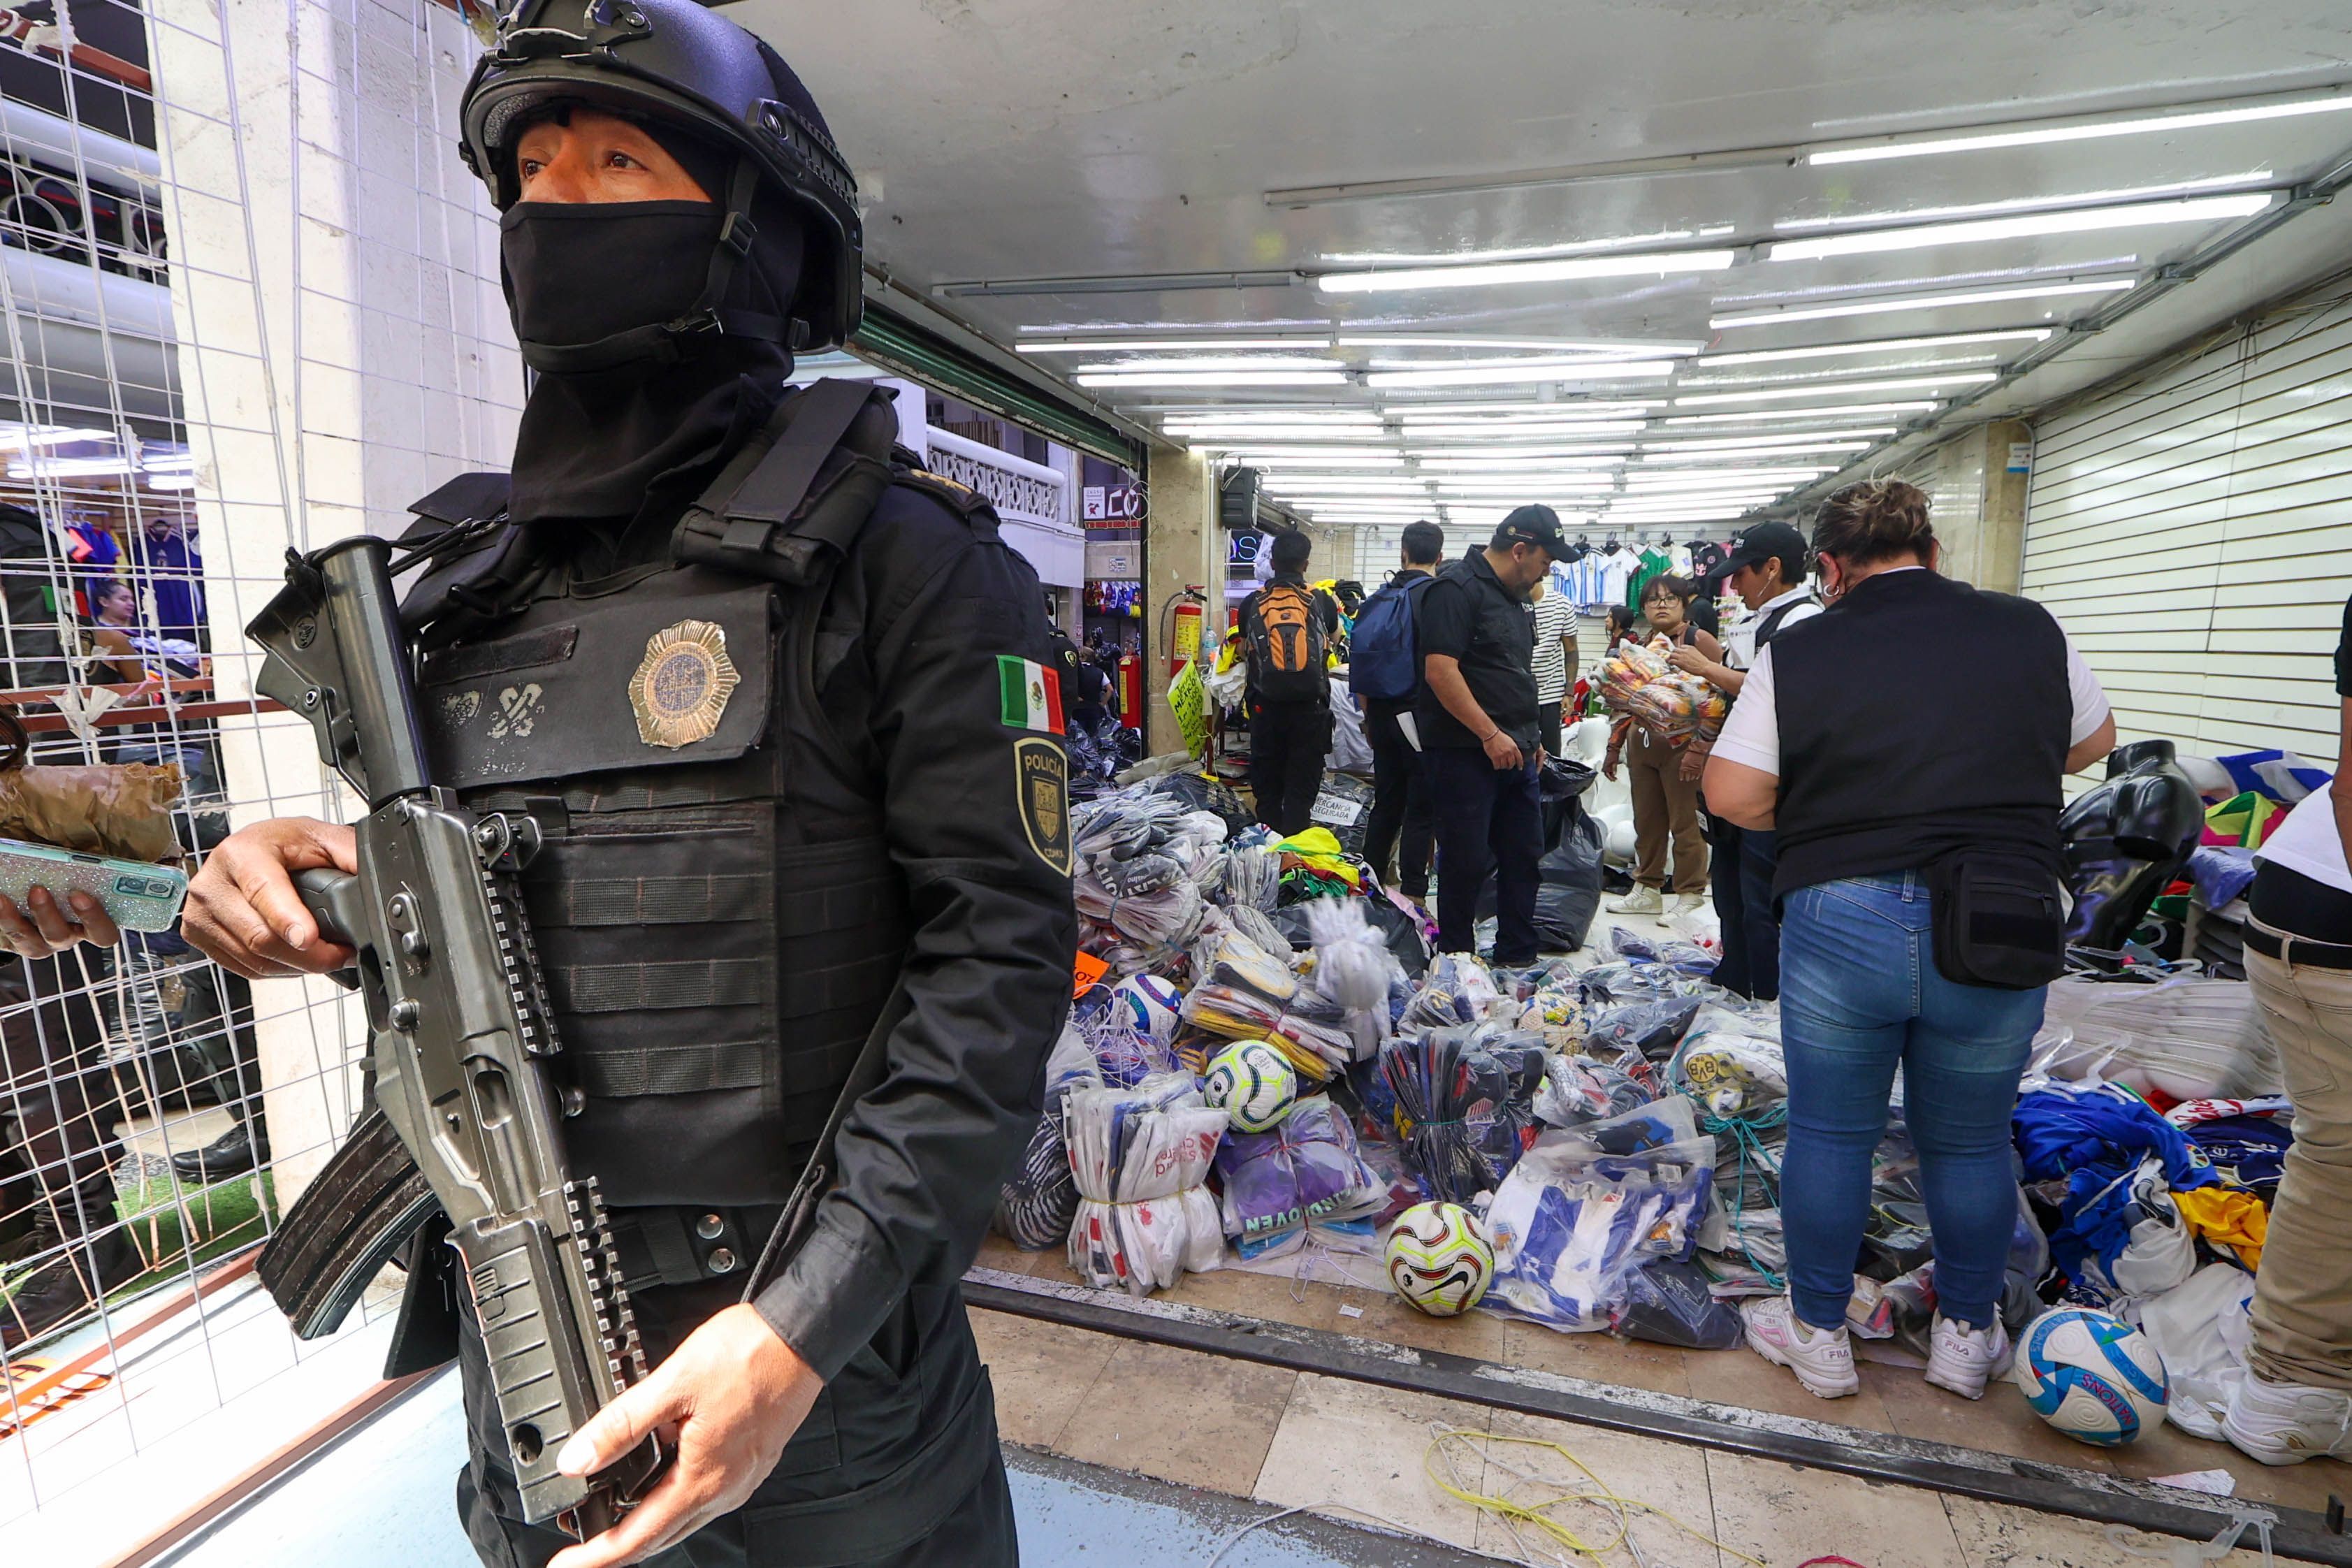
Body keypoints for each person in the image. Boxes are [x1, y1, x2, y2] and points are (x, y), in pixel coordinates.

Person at [5, 6, 1075, 1562]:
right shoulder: (456, 592)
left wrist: (798, 1331)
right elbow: (496, 910)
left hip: (827, 1411)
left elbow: (999, 967)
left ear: (755, 231)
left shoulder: (908, 568)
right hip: (530, 1371)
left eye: (617, 162)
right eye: (528, 177)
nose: (555, 214)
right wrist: (286, 884)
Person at [1704, 479, 2117, 1403]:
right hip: (1998, 916)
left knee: (1830, 1131)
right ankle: (1966, 1342)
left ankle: (1817, 1337)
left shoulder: (1802, 645)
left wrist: (1831, 803)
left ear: (1828, 570)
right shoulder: (2028, 626)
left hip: (1842, 914)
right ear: (1932, 551)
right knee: (1969, 1144)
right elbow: (2093, 743)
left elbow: (1731, 796)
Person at [2221, 589, 2352, 1465]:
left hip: (2307, 904)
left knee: (2337, 1152)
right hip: (2336, 912)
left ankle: (2294, 1386)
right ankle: (2294, 1386)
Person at [1668, 523, 1821, 999]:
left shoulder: (1805, 623)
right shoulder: (1753, 621)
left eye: (1743, 575)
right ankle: (1734, 977)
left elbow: (1781, 694)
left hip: (1773, 782)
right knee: (1729, 888)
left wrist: (1708, 668)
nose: (1734, 586)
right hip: (1734, 778)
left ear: (1772, 569)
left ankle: (1766, 994)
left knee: (1761, 897)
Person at [1417, 507, 1565, 970]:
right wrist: (1489, 734)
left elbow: (1513, 673)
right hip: (1467, 755)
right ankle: (1458, 965)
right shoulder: (1454, 589)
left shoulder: (1516, 597)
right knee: (1465, 863)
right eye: (1545, 560)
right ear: (1519, 550)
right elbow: (1441, 672)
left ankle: (1517, 958)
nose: (1548, 570)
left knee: (1525, 857)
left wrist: (1530, 736)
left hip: (1517, 752)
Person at [1604, 575, 1718, 918]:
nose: (1662, 605)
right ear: (1645, 608)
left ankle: (1690, 892)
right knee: (1647, 820)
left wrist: (1699, 751)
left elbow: (1717, 700)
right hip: (1643, 741)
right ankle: (1647, 886)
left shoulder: (1701, 641)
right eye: (1654, 600)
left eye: (1670, 599)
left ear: (1684, 604)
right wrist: (1614, 746)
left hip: (1683, 746)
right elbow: (1627, 701)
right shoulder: (1641, 645)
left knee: (1686, 822)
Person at [1353, 521, 1442, 903]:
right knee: (1420, 807)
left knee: (1387, 802)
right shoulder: (1436, 597)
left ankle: (1368, 884)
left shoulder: (1379, 597)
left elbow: (1362, 663)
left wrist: (1369, 716)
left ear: (1403, 552)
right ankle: (1415, 895)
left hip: (1380, 713)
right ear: (1439, 556)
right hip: (1416, 715)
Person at [1238, 529, 1340, 836]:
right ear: (1305, 565)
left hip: (1264, 709)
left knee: (1267, 791)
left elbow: (1245, 650)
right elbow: (1334, 641)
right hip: (1310, 711)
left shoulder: (1251, 603)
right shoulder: (1322, 601)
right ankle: (1293, 865)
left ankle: (1265, 857)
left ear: (1273, 561)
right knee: (1301, 792)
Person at [1528, 574, 1577, 758]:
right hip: (1516, 695)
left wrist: (1569, 692)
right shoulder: (1510, 603)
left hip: (1550, 695)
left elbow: (1571, 650)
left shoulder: (1562, 605)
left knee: (1550, 757)